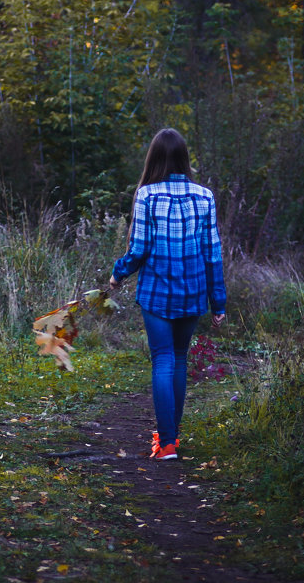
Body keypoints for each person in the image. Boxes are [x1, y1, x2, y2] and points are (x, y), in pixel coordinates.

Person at [109, 128, 226, 460]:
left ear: (154, 158)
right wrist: (218, 301)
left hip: (157, 293)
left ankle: (168, 444)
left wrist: (118, 274)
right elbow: (213, 253)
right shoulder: (205, 196)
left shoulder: (147, 195)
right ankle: (170, 438)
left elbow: (140, 249)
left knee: (162, 359)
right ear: (184, 158)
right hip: (192, 293)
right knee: (178, 359)